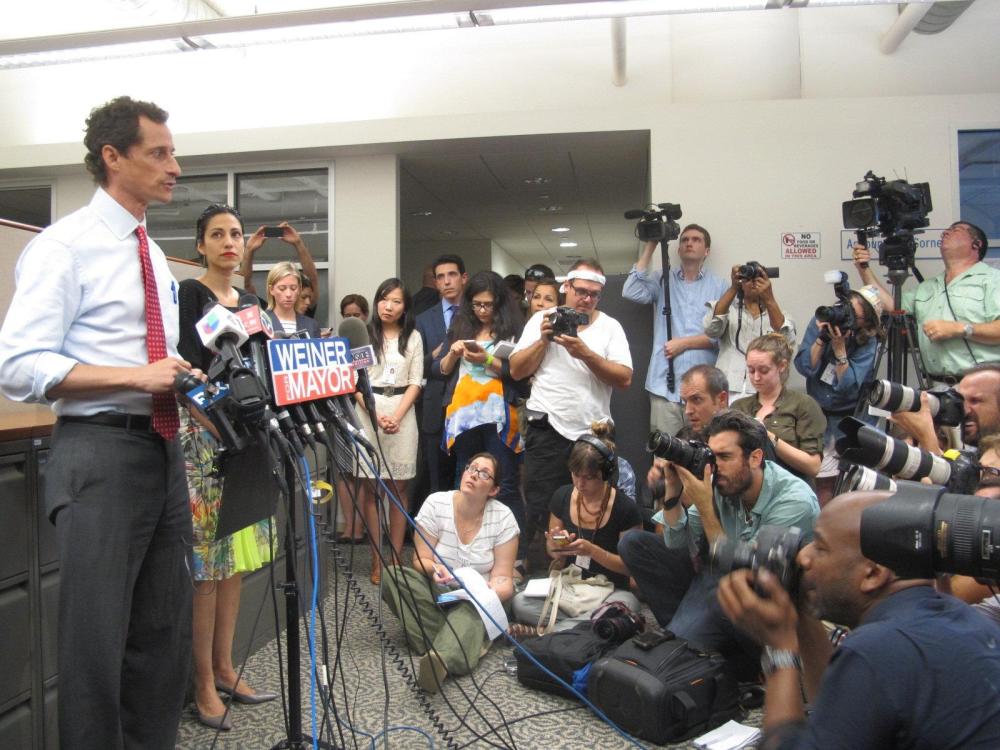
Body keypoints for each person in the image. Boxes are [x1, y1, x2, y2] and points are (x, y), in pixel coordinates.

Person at [0, 96, 195, 749]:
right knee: (94, 649)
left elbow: (152, 361)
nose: (175, 166)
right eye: (159, 154)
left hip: (162, 454)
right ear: (113, 157)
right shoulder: (66, 246)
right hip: (99, 455)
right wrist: (135, 377)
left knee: (163, 640)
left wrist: (178, 378)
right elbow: (19, 364)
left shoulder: (156, 257)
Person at [717, 490, 1000, 749]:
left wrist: (779, 649)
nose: (803, 557)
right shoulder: (953, 616)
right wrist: (801, 611)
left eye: (820, 546)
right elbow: (834, 711)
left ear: (873, 574)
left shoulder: (878, 650)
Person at [618, 411, 819, 679]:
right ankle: (693, 637)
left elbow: (746, 571)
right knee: (635, 544)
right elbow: (674, 542)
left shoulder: (794, 500)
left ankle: (730, 656)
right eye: (714, 457)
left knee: (679, 652)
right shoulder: (723, 483)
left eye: (725, 457)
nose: (716, 466)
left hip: (765, 599)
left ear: (755, 458)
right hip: (717, 581)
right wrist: (673, 496)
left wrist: (703, 504)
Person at [177, 204, 277, 730]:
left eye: (235, 234)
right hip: (205, 441)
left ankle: (225, 666)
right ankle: (200, 683)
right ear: (201, 245)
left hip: (250, 440)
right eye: (217, 234)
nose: (228, 242)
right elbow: (193, 372)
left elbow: (260, 369)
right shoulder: (191, 294)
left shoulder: (254, 302)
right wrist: (222, 428)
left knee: (237, 560)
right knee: (206, 572)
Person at [509, 259, 632, 571]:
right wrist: (543, 339)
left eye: (594, 294)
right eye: (581, 291)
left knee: (592, 507)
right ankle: (541, 576)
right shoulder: (541, 319)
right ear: (566, 288)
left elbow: (624, 378)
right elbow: (517, 369)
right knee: (541, 507)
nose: (586, 299)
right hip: (547, 427)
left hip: (593, 434)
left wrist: (584, 353)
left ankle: (592, 573)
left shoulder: (610, 327)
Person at [381, 453, 519, 692]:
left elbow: (505, 580)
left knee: (470, 609)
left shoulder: (504, 517)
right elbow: (421, 559)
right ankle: (469, 642)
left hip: (479, 598)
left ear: (494, 490)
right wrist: (435, 570)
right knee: (393, 576)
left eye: (484, 473)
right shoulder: (436, 504)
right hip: (440, 590)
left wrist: (484, 593)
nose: (474, 474)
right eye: (471, 468)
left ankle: (442, 659)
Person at [511, 425, 642, 630]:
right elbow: (554, 554)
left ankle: (553, 632)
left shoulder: (625, 508)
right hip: (571, 586)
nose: (580, 484)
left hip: (611, 589)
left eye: (589, 478)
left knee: (625, 607)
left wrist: (592, 551)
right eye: (575, 474)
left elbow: (630, 566)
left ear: (605, 474)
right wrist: (555, 546)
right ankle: (581, 630)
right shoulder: (562, 496)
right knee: (520, 603)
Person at [853, 221, 1000, 383]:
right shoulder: (927, 287)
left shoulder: (993, 280)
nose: (945, 232)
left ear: (976, 244)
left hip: (981, 388)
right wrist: (863, 268)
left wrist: (961, 329)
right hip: (935, 386)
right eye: (946, 230)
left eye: (956, 230)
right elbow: (891, 306)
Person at [435, 271, 526, 532]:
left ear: (499, 303)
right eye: (476, 304)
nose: (482, 310)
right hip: (465, 416)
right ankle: (461, 544)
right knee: (466, 482)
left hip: (500, 415)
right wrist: (453, 353)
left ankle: (514, 556)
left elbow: (521, 375)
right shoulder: (461, 326)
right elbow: (438, 368)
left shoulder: (514, 330)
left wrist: (486, 360)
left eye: (488, 304)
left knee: (504, 483)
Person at [623, 224, 728, 436]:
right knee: (666, 457)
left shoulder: (720, 287)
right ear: (678, 249)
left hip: (704, 388)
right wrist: (651, 244)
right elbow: (630, 291)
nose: (689, 243)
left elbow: (723, 337)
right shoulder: (663, 279)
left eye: (697, 240)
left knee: (704, 451)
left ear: (706, 251)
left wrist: (684, 343)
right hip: (664, 385)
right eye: (685, 239)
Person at [355, 278, 423, 585]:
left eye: (396, 301)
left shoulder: (414, 338)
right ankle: (376, 560)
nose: (388, 306)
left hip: (402, 413)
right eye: (384, 299)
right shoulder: (363, 335)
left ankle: (395, 559)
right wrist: (375, 413)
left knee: (398, 490)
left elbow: (416, 382)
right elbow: (354, 381)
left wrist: (395, 415)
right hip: (368, 411)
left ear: (405, 306)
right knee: (371, 489)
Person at [793, 286, 882, 505]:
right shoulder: (822, 324)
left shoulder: (867, 341)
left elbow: (848, 386)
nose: (847, 315)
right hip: (819, 417)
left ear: (866, 322)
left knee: (853, 484)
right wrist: (822, 340)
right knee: (822, 482)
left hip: (850, 420)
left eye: (855, 314)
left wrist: (840, 348)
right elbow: (805, 367)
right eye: (847, 308)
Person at [731, 334, 826, 487]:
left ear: (781, 366)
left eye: (763, 370)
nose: (756, 377)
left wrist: (769, 437)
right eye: (750, 370)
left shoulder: (803, 404)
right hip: (749, 490)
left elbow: (813, 466)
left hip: (791, 490)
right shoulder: (739, 407)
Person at [416, 254, 468, 493]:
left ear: (463, 278)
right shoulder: (423, 320)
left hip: (470, 404)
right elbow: (416, 366)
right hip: (435, 405)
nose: (447, 281)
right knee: (436, 479)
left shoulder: (477, 313)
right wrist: (435, 356)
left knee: (471, 473)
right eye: (440, 277)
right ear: (435, 282)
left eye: (452, 275)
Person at [705, 264, 795, 401]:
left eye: (759, 278)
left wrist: (769, 297)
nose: (753, 282)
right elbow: (711, 330)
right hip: (728, 388)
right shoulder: (728, 310)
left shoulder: (779, 315)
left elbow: (787, 342)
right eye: (748, 278)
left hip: (765, 389)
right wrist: (734, 287)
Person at [240, 220, 321, 317]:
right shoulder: (266, 315)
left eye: (294, 288)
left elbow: (312, 280)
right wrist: (249, 250)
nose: (308, 302)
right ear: (272, 290)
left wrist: (298, 243)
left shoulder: (308, 320)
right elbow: (244, 284)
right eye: (303, 297)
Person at [263, 260, 321, 338]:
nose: (288, 294)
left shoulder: (312, 325)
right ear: (271, 290)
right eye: (282, 288)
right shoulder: (261, 323)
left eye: (293, 288)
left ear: (299, 289)